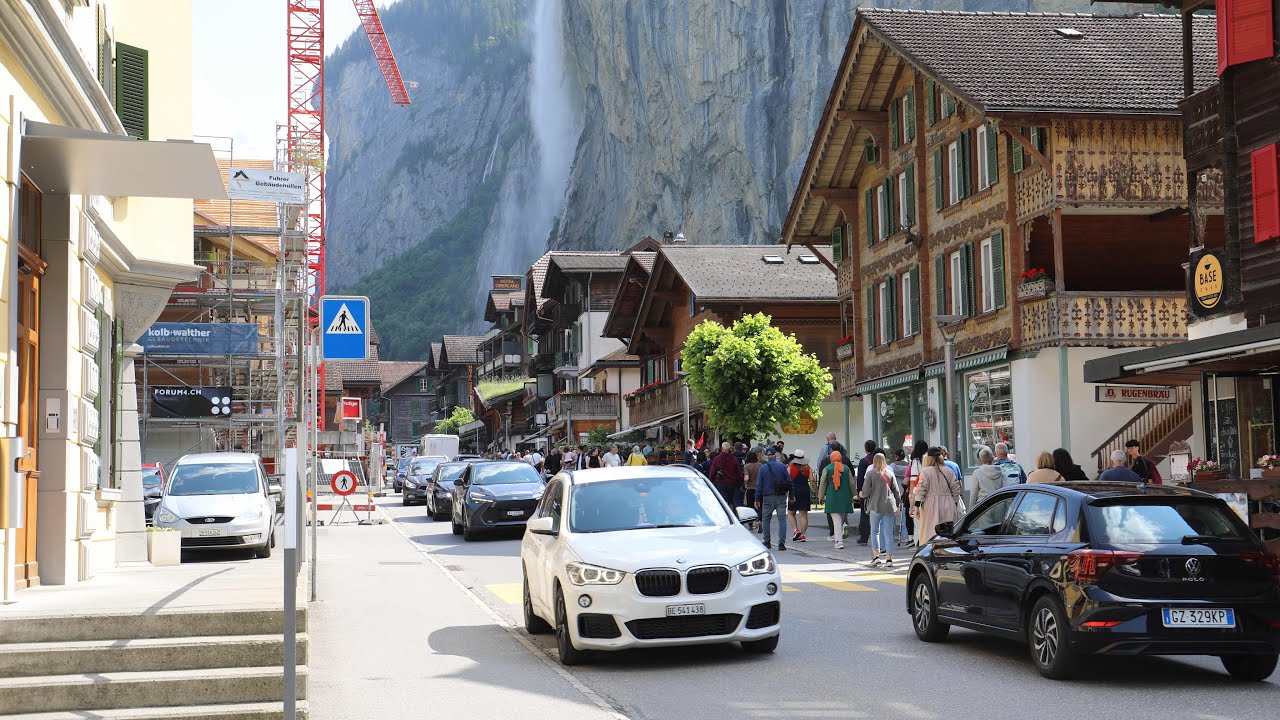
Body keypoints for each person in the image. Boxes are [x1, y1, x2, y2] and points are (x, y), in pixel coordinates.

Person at [911, 447, 963, 546]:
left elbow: (921, 490)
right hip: (948, 502)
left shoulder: (925, 472)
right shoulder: (949, 471)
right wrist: (954, 502)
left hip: (930, 504)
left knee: (930, 532)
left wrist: (916, 506)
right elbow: (956, 489)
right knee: (948, 533)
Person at [859, 453, 902, 566]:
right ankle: (889, 559)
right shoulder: (890, 473)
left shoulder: (870, 474)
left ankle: (876, 556)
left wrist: (861, 494)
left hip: (875, 506)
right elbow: (896, 491)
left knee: (875, 531)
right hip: (889, 506)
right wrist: (897, 505)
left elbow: (866, 492)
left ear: (874, 461)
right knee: (888, 533)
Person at [755, 448, 791, 551]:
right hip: (781, 496)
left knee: (766, 519)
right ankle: (781, 543)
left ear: (766, 456)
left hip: (767, 497)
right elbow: (789, 482)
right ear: (775, 455)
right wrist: (791, 495)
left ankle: (767, 541)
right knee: (782, 519)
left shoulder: (762, 469)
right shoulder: (782, 467)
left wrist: (757, 498)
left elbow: (759, 485)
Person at [818, 450, 855, 549]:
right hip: (845, 497)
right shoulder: (846, 468)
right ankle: (841, 533)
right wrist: (854, 495)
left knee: (836, 520)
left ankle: (838, 541)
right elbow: (851, 483)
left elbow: (823, 484)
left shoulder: (827, 468)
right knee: (841, 519)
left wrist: (820, 497)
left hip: (832, 497)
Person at [854, 440, 877, 544]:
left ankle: (864, 537)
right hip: (878, 490)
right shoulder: (879, 460)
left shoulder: (864, 461)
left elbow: (860, 478)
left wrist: (859, 490)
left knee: (865, 514)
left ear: (866, 449)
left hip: (866, 490)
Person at [709, 441, 743, 508]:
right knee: (735, 502)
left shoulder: (717, 459)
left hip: (720, 483)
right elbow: (739, 473)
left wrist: (712, 481)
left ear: (721, 448)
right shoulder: (734, 459)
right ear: (730, 449)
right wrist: (740, 483)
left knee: (723, 503)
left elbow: (712, 472)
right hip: (733, 483)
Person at [787, 450, 812, 542]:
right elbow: (812, 480)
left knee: (790, 512)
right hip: (805, 490)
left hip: (794, 491)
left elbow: (787, 480)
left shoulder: (790, 467)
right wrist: (817, 491)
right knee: (803, 515)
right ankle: (803, 534)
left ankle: (795, 530)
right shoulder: (807, 467)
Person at [743, 451, 763, 531]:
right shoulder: (761, 465)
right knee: (759, 506)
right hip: (760, 489)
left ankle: (751, 525)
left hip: (750, 489)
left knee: (750, 507)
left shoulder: (747, 466)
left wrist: (745, 482)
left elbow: (746, 478)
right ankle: (759, 521)